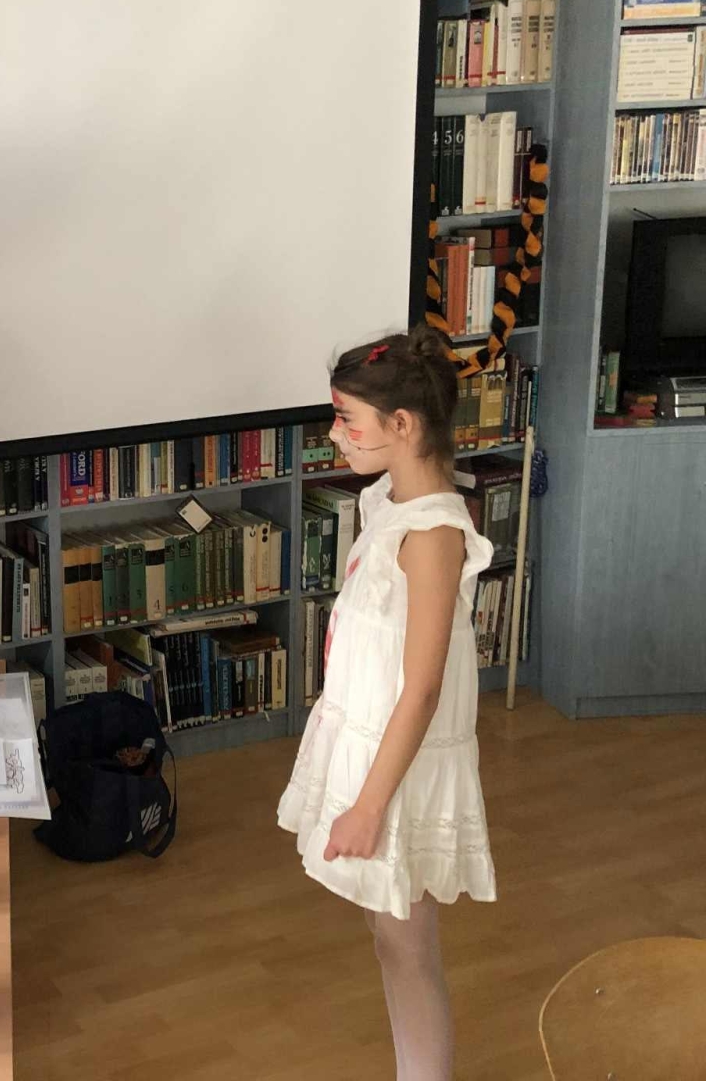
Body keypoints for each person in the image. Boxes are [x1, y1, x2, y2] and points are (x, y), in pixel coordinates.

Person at [276, 326, 496, 1081]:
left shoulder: (434, 532)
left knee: (407, 947)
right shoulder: (389, 502)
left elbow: (424, 687)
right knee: (392, 942)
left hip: (400, 770)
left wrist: (369, 806)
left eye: (347, 420)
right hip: (373, 749)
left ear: (401, 425)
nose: (335, 434)